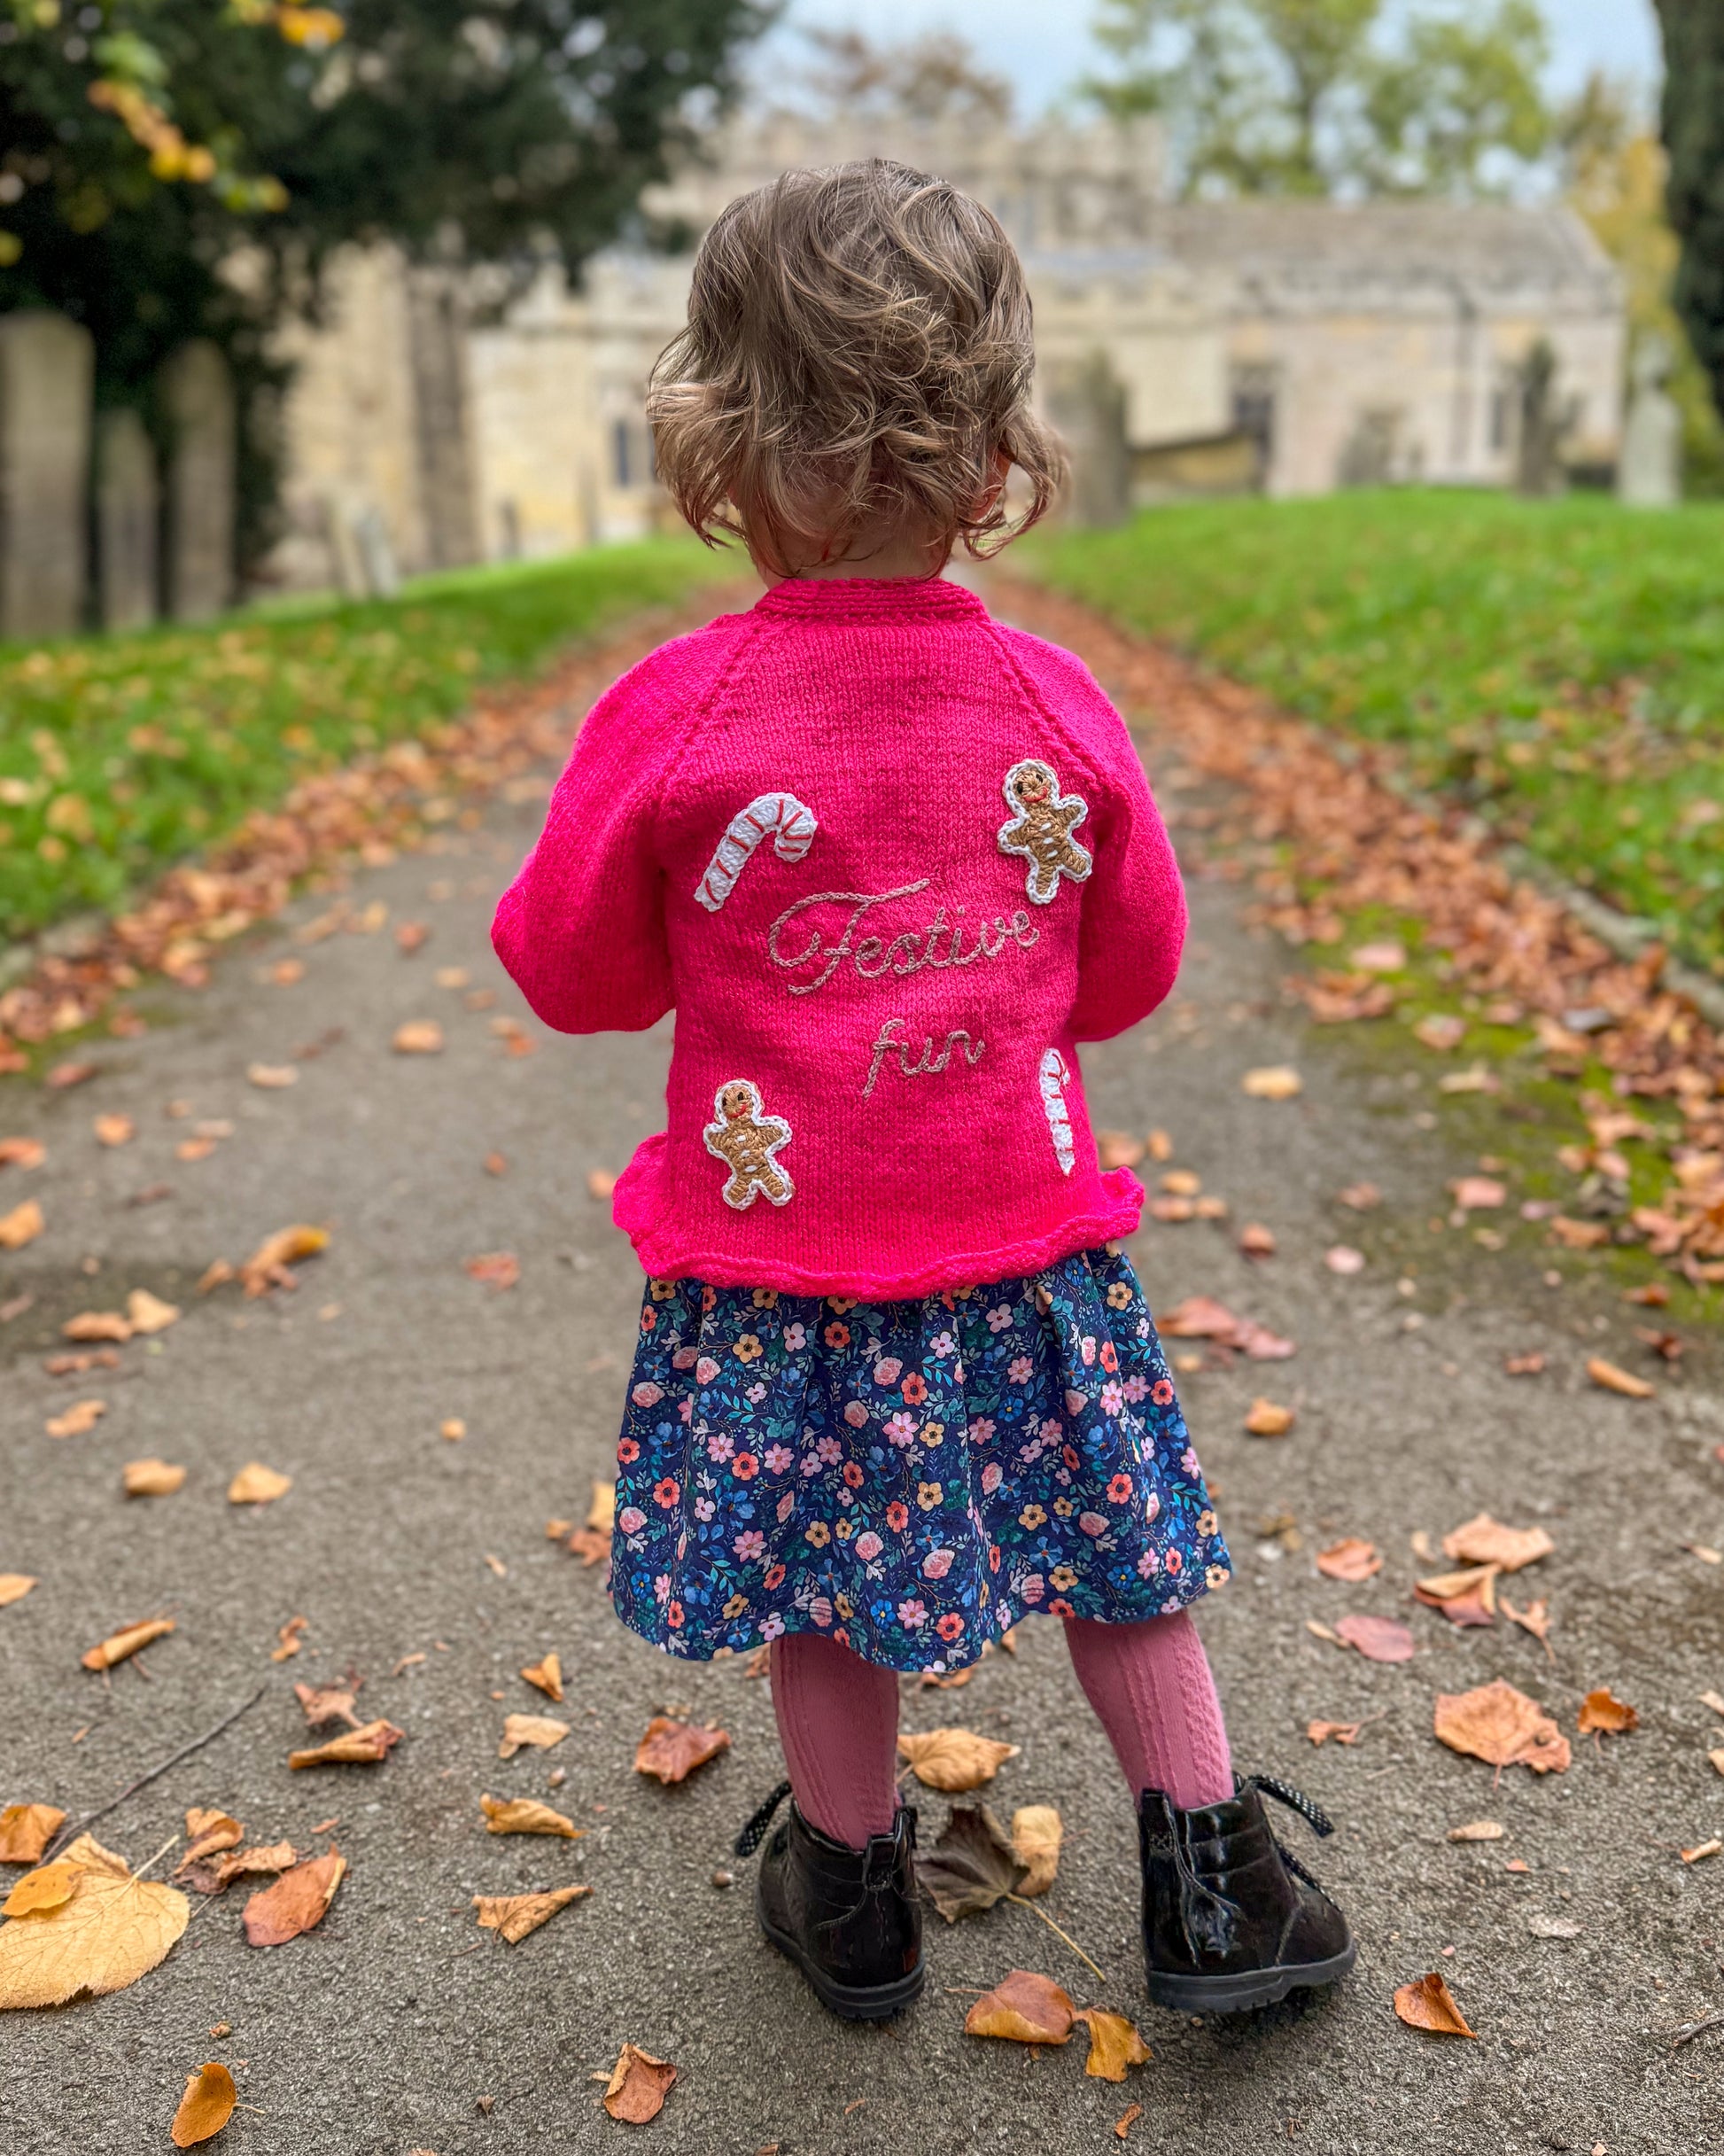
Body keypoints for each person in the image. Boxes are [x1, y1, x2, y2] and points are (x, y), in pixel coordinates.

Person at [493, 158, 1354, 2023]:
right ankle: (1212, 1887)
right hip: (1020, 1246)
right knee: (1119, 1552)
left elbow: (572, 975)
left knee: (819, 1579)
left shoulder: (679, 713)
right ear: (994, 455)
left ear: (717, 444)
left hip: (777, 1272)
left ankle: (854, 1898)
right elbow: (1127, 970)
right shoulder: (1053, 703)